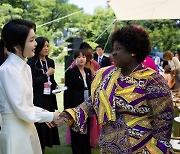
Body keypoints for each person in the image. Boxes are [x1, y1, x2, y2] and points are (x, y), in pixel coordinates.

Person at [60, 25, 174, 153]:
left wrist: (157, 149)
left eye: (118, 49)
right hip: (108, 149)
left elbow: (164, 120)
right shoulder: (106, 75)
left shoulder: (152, 80)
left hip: (141, 149)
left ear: (133, 51)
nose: (113, 53)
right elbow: (93, 102)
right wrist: (71, 113)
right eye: (113, 49)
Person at [0, 19, 64, 154]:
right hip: (15, 133)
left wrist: (46, 114)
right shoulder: (8, 70)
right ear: (17, 46)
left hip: (28, 128)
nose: (35, 44)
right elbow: (22, 110)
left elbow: (28, 105)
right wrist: (51, 116)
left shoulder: (25, 68)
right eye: (31, 40)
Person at [27, 37, 60, 153]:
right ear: (38, 47)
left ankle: (43, 148)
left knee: (48, 125)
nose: (46, 48)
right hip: (38, 99)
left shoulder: (50, 62)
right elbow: (33, 81)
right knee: (39, 126)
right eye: (44, 46)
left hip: (49, 98)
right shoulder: (32, 62)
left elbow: (52, 80)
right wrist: (46, 74)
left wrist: (56, 86)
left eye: (48, 46)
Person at [64, 50, 92, 154]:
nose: (81, 59)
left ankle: (86, 151)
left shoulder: (88, 71)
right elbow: (67, 92)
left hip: (87, 105)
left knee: (86, 130)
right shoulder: (71, 72)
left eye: (84, 57)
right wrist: (67, 109)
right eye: (79, 57)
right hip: (75, 105)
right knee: (76, 131)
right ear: (75, 59)